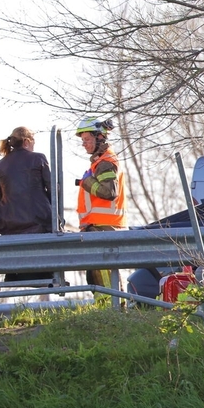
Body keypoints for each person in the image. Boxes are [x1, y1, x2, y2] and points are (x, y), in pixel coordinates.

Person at [0, 127, 55, 282]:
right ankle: (48, 275)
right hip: (39, 223)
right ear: (26, 142)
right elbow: (52, 191)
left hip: (9, 225)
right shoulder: (38, 159)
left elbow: (1, 196)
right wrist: (55, 217)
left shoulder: (0, 165)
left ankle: (13, 275)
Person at [75, 117, 126, 295]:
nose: (84, 144)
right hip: (97, 227)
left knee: (104, 279)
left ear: (99, 137)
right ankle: (108, 313)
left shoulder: (105, 162)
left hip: (104, 228)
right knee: (96, 278)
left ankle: (115, 313)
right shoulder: (100, 162)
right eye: (83, 141)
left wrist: (87, 182)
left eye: (87, 140)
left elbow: (109, 192)